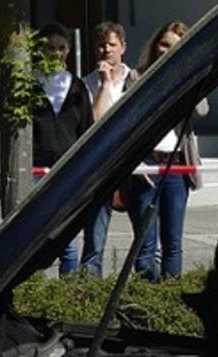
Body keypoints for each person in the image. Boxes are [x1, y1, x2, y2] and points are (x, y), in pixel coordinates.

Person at [126, 20, 209, 282]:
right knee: (144, 244)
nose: (166, 51)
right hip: (146, 164)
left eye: (173, 47)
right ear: (155, 45)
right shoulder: (137, 77)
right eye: (163, 44)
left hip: (176, 165)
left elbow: (202, 110)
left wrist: (188, 74)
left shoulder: (187, 77)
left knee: (172, 241)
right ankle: (145, 297)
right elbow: (130, 121)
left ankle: (170, 297)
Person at [32, 22, 93, 276]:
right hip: (35, 169)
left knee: (67, 239)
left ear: (68, 50)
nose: (56, 53)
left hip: (67, 169)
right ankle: (34, 288)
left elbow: (86, 128)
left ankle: (68, 291)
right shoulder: (28, 84)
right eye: (50, 48)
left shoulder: (77, 86)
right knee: (35, 236)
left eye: (61, 48)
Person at [81, 21, 139, 277]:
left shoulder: (137, 79)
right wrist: (104, 84)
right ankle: (90, 291)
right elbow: (94, 122)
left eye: (112, 45)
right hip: (100, 168)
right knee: (94, 242)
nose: (106, 50)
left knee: (147, 244)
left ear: (123, 47)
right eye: (101, 45)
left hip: (135, 166)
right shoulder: (86, 84)